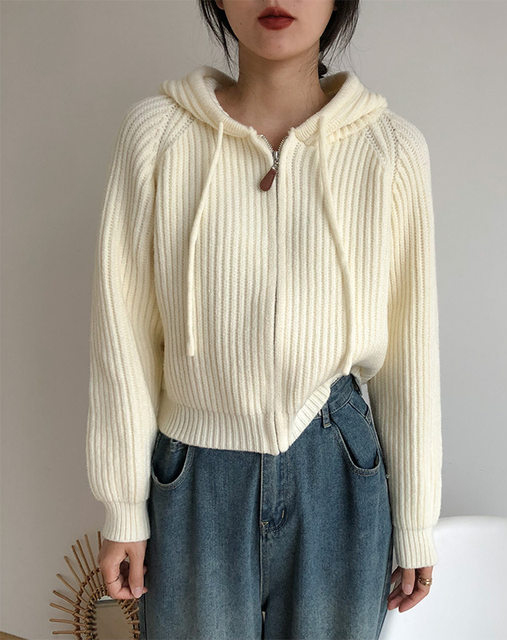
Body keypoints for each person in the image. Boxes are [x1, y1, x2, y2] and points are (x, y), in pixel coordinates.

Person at [85, 0, 443, 638]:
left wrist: (416, 521)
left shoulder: (390, 150)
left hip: (337, 461)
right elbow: (123, 338)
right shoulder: (155, 136)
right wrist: (122, 507)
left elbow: (410, 356)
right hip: (193, 468)